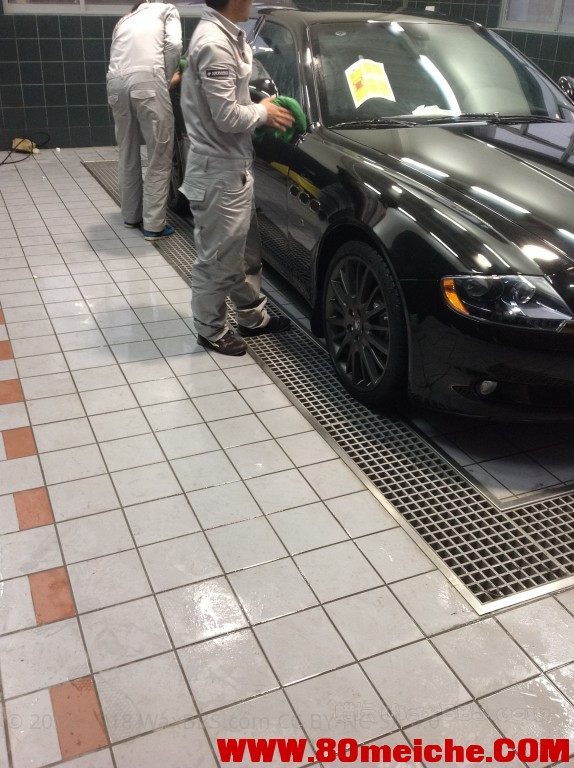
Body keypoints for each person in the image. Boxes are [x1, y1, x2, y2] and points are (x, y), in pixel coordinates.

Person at [179, 0, 295, 356]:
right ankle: (210, 330)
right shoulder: (215, 44)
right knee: (217, 259)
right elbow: (227, 116)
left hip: (233, 170)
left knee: (242, 255)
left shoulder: (229, 35)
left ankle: (251, 318)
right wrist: (263, 112)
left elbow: (232, 97)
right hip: (218, 174)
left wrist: (260, 105)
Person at [106, 0, 182, 241]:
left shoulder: (124, 20)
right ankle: (154, 225)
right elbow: (174, 45)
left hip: (115, 83)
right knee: (159, 153)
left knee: (127, 151)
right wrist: (165, 79)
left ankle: (131, 216)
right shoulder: (166, 10)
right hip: (148, 80)